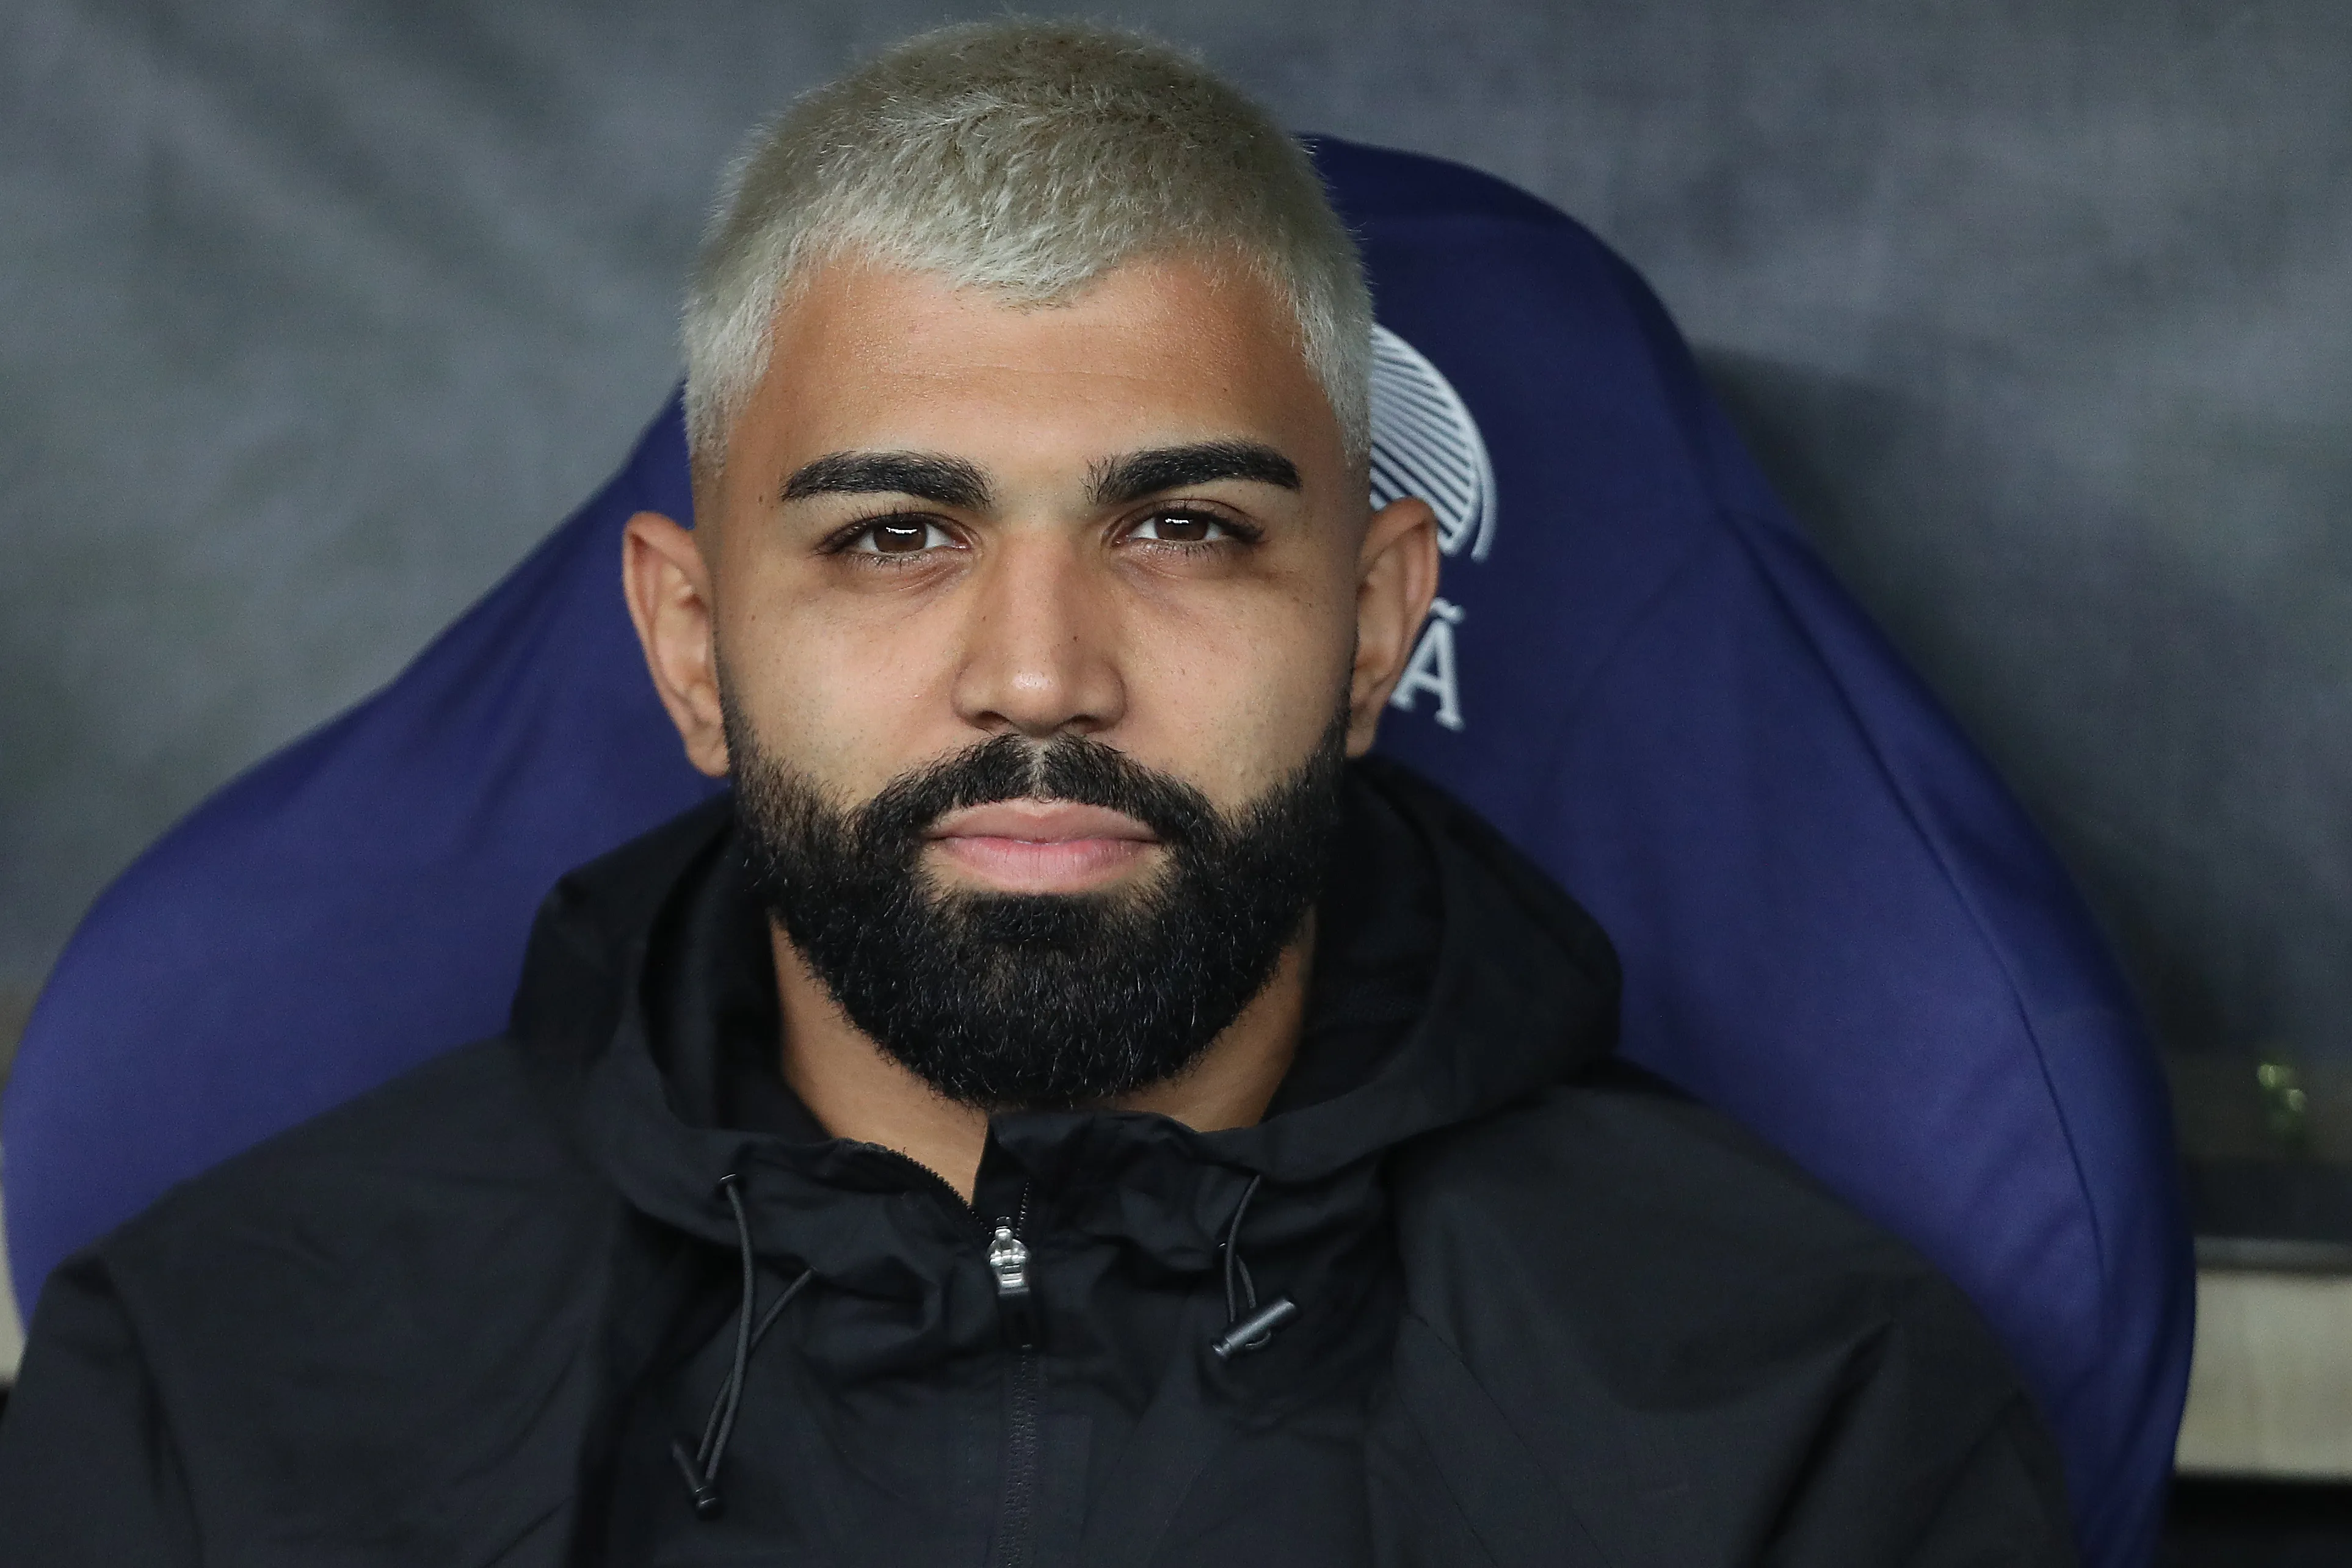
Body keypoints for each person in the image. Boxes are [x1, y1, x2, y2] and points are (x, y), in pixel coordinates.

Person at [0, 20, 2075, 1566]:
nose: (1038, 673)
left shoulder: (1801, 1425)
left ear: (1372, 625)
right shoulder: (222, 1395)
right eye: (895, 536)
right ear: (692, 644)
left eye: (1181, 528)